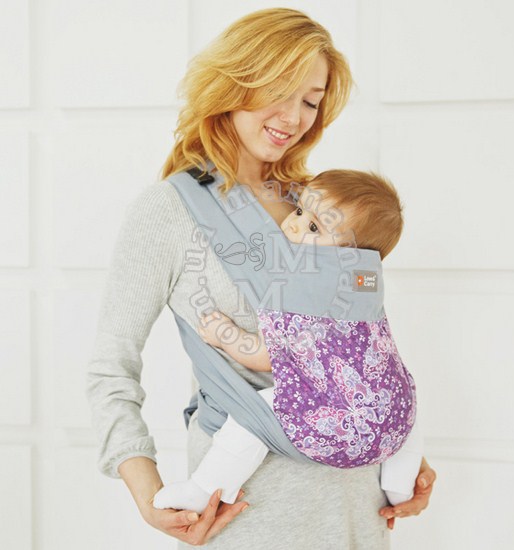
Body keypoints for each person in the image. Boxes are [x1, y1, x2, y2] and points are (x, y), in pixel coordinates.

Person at [87, 8, 436, 548]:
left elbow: (356, 350)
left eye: (311, 101)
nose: (293, 117)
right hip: (249, 516)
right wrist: (148, 494)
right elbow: (110, 368)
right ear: (235, 82)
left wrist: (399, 449)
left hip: (356, 512)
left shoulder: (322, 206)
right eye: (279, 90)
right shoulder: (170, 211)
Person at [152, 169, 423, 515]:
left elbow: (269, 357)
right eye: (298, 211)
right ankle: (400, 488)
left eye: (313, 227)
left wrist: (225, 336)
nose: (293, 225)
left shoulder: (305, 287)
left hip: (338, 423)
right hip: (392, 418)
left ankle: (204, 488)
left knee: (254, 416)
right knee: (405, 402)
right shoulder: (365, 282)